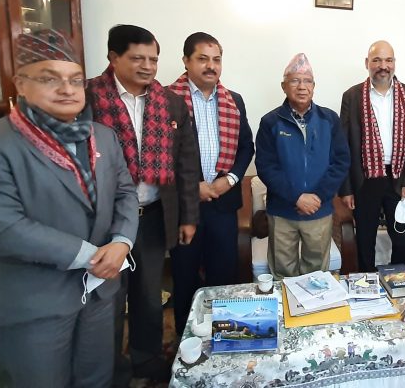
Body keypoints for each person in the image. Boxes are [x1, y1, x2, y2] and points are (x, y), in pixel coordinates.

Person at [0, 29, 137, 387]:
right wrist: (93, 256)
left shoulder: (102, 136)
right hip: (34, 299)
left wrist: (122, 242)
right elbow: (2, 229)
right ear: (21, 84)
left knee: (97, 379)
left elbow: (125, 194)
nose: (67, 89)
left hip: (99, 290)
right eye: (49, 78)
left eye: (75, 80)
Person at [86, 24, 201, 384]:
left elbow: (186, 164)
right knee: (105, 299)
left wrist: (188, 216)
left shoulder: (170, 103)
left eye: (153, 59)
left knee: (149, 297)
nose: (147, 66)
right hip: (103, 221)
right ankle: (108, 370)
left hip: (152, 216)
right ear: (113, 57)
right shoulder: (88, 97)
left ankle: (147, 360)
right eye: (137, 58)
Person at [167, 32, 254, 335]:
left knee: (223, 277)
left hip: (222, 204)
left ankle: (222, 338)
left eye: (216, 59)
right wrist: (193, 187)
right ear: (186, 61)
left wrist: (229, 179)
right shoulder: (165, 99)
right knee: (185, 278)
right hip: (183, 207)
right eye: (202, 59)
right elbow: (159, 154)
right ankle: (186, 342)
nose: (211, 66)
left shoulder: (234, 100)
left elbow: (246, 147)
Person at [255, 53, 350, 277]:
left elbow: (341, 161)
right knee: (282, 275)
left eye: (307, 81)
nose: (301, 87)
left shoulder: (329, 119)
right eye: (295, 81)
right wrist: (297, 197)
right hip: (282, 212)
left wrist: (317, 197)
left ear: (314, 87)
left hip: (318, 210)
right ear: (284, 86)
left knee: (316, 276)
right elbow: (266, 166)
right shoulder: (270, 122)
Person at [339, 40, 405, 272]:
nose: (383, 66)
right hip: (365, 179)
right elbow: (343, 145)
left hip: (399, 178)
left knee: (404, 239)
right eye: (377, 60)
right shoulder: (352, 96)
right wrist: (346, 189)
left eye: (388, 60)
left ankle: (397, 282)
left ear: (394, 63)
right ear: (367, 63)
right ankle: (367, 286)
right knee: (365, 241)